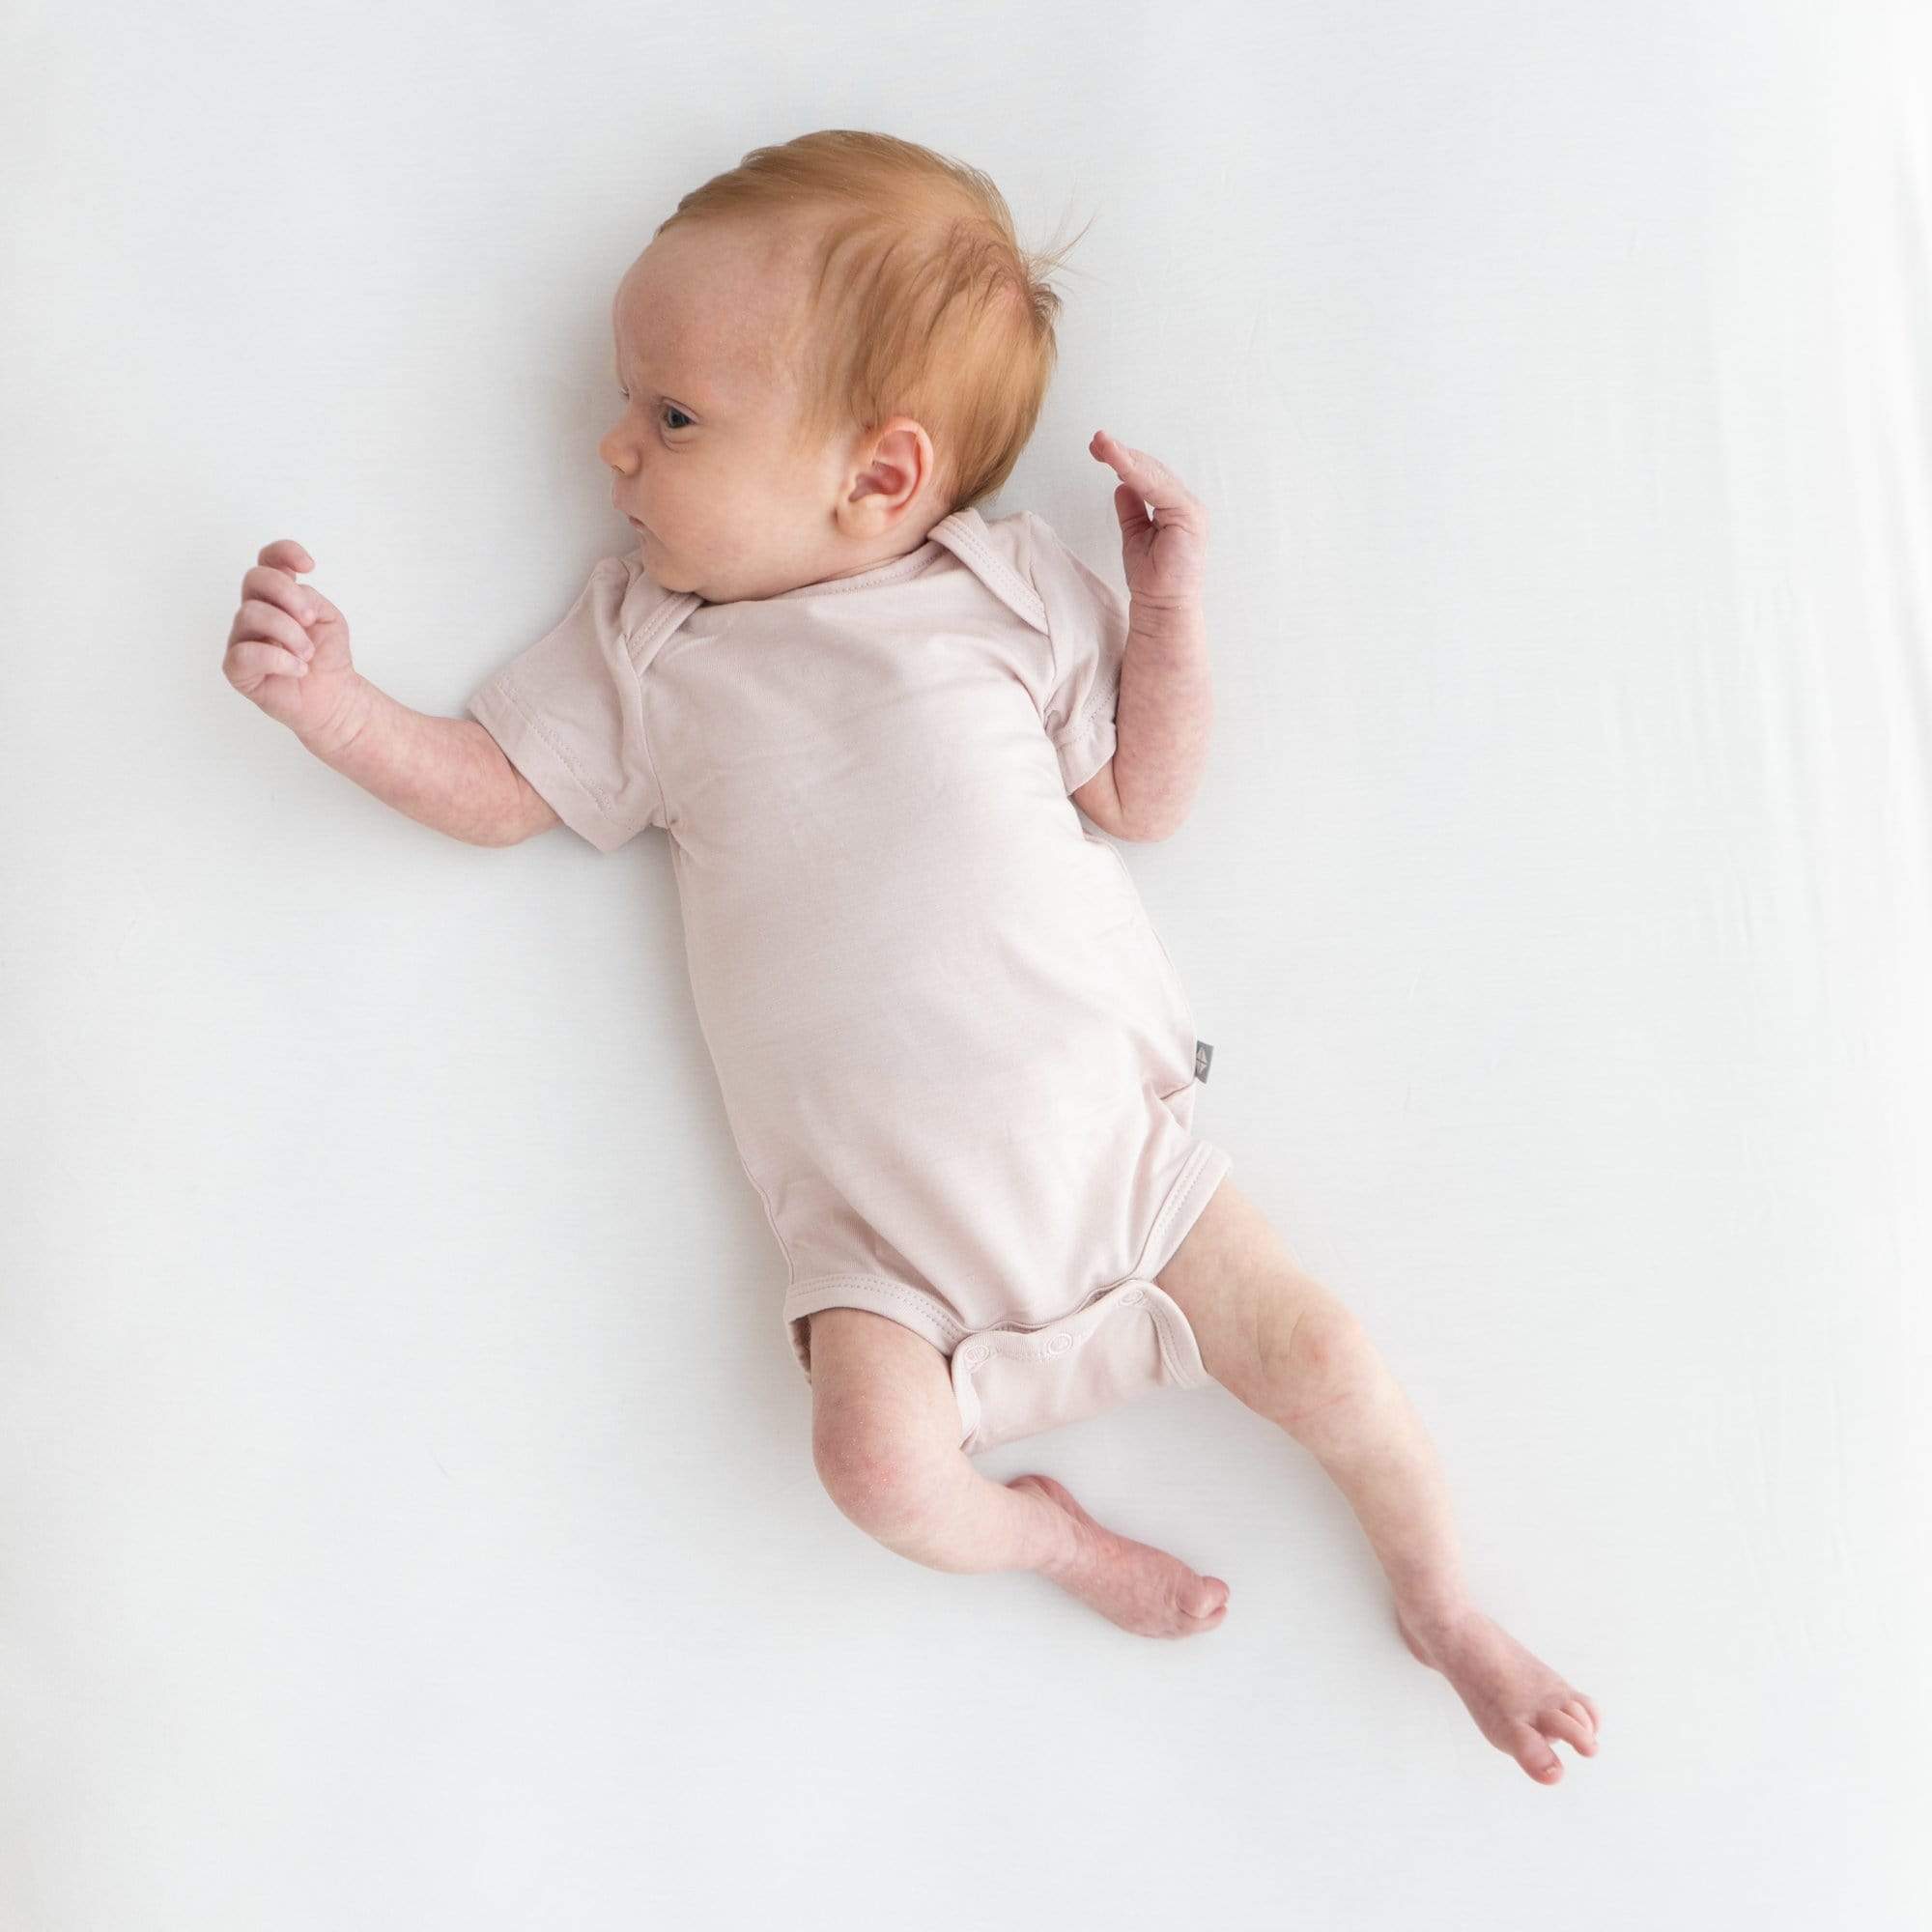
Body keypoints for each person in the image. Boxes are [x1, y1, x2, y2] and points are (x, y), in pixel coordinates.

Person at [220, 129, 1600, 1785]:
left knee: (1321, 1355)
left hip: (1121, 1170)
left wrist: (1167, 612)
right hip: (888, 1260)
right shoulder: (651, 648)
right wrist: (337, 707)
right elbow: (501, 791)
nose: (612, 450)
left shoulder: (1000, 592)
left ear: (879, 475)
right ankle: (1053, 1543)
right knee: (875, 1468)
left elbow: (1142, 797)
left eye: (673, 416)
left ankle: (1444, 1603)